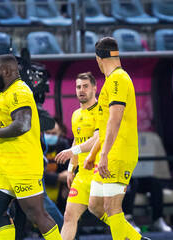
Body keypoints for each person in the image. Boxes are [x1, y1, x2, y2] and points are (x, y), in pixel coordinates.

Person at [0, 54, 62, 239]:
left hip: (24, 164)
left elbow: (22, 124)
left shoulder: (20, 91)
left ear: (7, 71)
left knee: (37, 215)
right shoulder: (5, 91)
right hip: (5, 163)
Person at [82, 37, 148, 240]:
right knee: (95, 205)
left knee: (112, 208)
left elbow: (115, 120)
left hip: (117, 153)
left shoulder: (118, 79)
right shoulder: (113, 80)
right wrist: (94, 153)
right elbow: (104, 125)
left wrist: (105, 154)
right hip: (109, 151)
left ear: (98, 58)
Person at [53, 72, 108, 240]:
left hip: (100, 171)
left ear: (94, 88)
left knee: (100, 212)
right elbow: (77, 142)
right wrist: (71, 168)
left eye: (85, 86)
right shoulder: (76, 114)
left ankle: (130, 232)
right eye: (78, 87)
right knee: (69, 216)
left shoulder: (101, 110)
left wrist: (72, 152)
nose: (81, 90)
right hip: (82, 175)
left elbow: (97, 139)